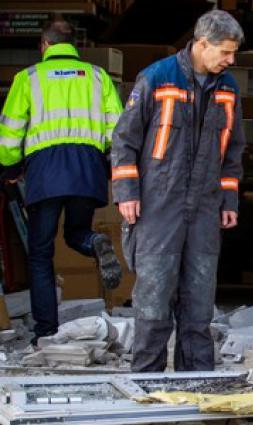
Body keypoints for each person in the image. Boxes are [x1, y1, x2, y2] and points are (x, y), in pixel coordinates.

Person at [110, 10, 245, 372]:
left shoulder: (228, 88)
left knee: (199, 303)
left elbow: (233, 150)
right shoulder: (156, 77)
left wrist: (228, 199)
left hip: (203, 207)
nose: (231, 60)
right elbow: (124, 140)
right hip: (158, 205)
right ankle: (147, 383)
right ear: (203, 44)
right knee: (153, 300)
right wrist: (127, 191)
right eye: (226, 52)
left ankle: (196, 382)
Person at [0, 20, 123, 344]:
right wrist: (110, 163)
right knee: (76, 233)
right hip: (87, 168)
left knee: (40, 253)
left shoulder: (28, 79)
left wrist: (9, 168)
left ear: (44, 45)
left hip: (46, 171)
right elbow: (118, 126)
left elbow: (11, 129)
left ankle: (46, 331)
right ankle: (93, 243)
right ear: (72, 45)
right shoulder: (98, 77)